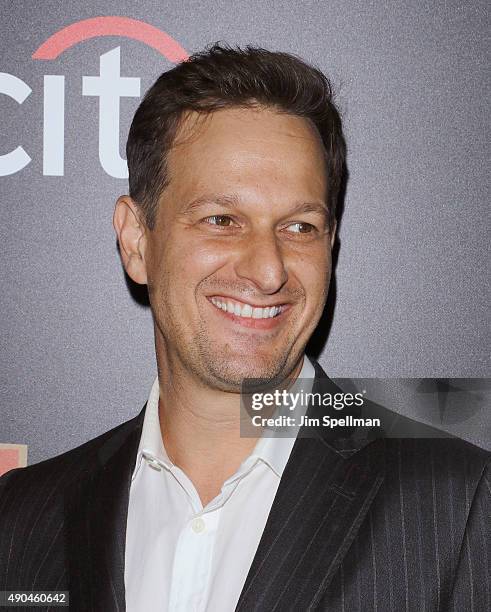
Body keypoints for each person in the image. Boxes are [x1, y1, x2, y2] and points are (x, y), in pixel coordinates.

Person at [0, 44, 489, 612]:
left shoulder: (457, 505)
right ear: (137, 240)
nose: (268, 269)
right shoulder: (21, 517)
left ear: (330, 243)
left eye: (300, 226)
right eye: (221, 220)